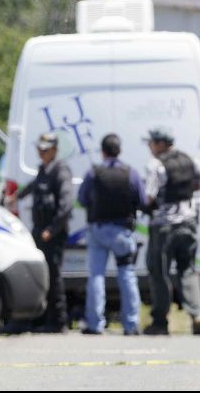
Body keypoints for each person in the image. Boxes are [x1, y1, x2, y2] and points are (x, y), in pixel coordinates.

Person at [142, 129, 200, 336]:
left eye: (152, 143)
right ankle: (197, 313)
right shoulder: (190, 160)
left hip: (163, 225)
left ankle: (160, 321)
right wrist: (188, 192)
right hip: (188, 221)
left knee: (159, 272)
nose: (150, 148)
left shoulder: (156, 165)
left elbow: (148, 197)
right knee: (187, 268)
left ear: (161, 144)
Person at [78, 134, 146, 335]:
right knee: (127, 275)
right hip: (122, 232)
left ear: (103, 151)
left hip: (98, 230)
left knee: (96, 276)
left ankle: (95, 324)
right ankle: (131, 324)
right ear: (120, 150)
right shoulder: (130, 173)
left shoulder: (94, 173)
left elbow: (82, 199)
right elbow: (141, 199)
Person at [9, 133, 74, 333]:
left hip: (52, 234)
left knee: (53, 277)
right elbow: (32, 187)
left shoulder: (60, 171)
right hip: (40, 231)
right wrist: (15, 197)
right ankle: (44, 320)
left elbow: (66, 205)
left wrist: (52, 230)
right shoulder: (43, 170)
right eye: (39, 149)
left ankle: (59, 321)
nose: (41, 152)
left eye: (45, 150)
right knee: (43, 276)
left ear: (54, 150)